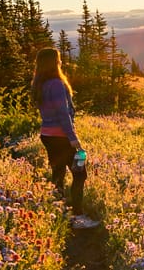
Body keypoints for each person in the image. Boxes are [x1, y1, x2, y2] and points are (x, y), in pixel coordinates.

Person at [31, 46, 98, 229]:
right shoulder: (57, 84)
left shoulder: (39, 83)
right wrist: (73, 138)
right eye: (58, 59)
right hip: (62, 137)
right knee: (80, 174)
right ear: (54, 62)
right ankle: (78, 216)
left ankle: (58, 213)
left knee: (58, 173)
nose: (61, 61)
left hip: (47, 135)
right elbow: (63, 114)